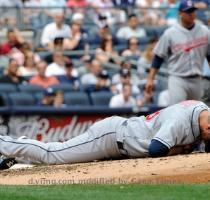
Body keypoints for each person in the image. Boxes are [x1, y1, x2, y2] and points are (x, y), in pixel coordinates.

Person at [0, 100, 210, 169]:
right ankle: (6, 143)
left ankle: (17, 152)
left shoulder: (203, 110)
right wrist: (180, 150)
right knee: (53, 155)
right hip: (112, 136)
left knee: (65, 158)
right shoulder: (180, 121)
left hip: (121, 142)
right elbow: (156, 149)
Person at [145, 0, 210, 105]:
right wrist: (150, 79)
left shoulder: (205, 31)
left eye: (193, 11)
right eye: (188, 11)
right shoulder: (170, 33)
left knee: (197, 114)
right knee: (177, 112)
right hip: (178, 79)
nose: (191, 14)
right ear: (180, 13)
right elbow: (158, 57)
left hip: (197, 79)